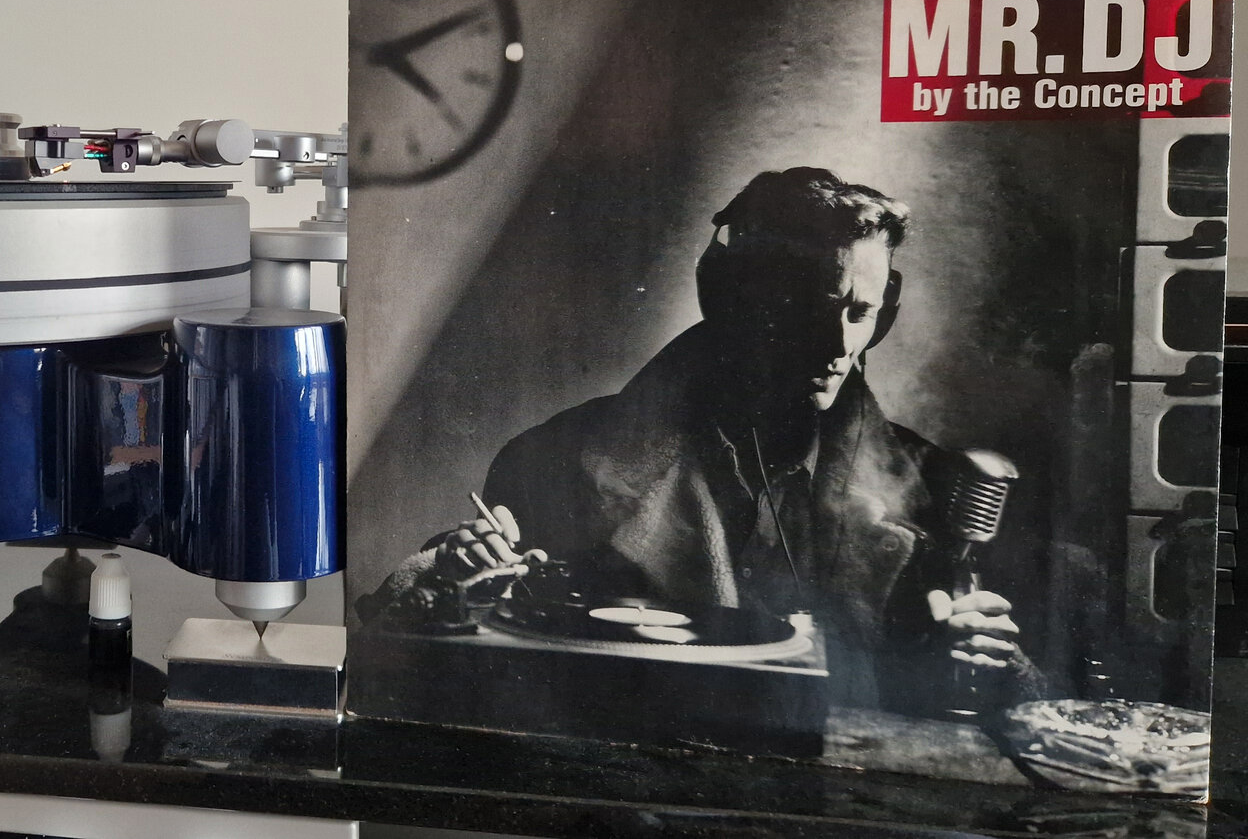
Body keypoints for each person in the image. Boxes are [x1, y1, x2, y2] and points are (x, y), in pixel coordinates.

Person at [363, 167, 1031, 711]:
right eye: (810, 309)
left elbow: (989, 704)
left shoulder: (929, 486)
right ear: (734, 299)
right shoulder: (556, 462)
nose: (839, 345)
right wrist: (457, 582)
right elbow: (451, 674)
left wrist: (985, 668)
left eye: (861, 313)